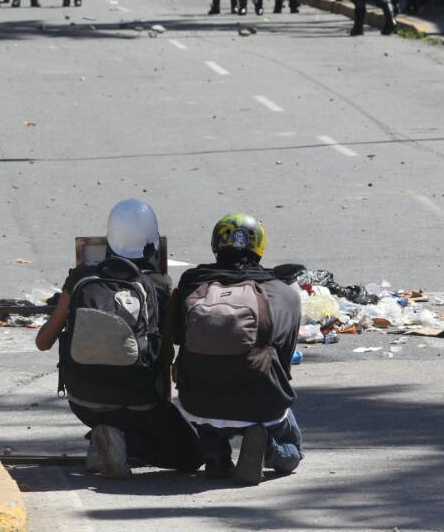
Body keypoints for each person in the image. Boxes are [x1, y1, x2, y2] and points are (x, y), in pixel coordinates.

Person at [36, 200, 202, 479]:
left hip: (82, 399)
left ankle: (102, 439)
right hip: (136, 402)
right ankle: (123, 441)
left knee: (112, 413)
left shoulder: (79, 279)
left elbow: (43, 342)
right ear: (152, 244)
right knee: (190, 456)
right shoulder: (161, 287)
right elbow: (164, 358)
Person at [169, 213, 303, 485]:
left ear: (216, 244)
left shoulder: (192, 284)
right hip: (260, 402)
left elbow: (175, 337)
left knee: (204, 407)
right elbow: (285, 362)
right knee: (294, 449)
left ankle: (216, 455)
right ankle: (272, 449)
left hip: (198, 400)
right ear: (260, 246)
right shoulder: (283, 293)